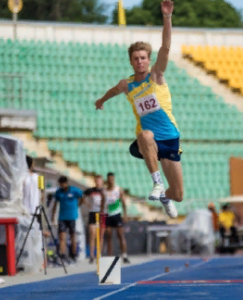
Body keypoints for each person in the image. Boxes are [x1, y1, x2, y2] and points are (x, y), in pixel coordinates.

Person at [94, 0, 179, 219]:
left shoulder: (156, 76)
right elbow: (114, 90)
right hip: (146, 140)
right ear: (131, 62)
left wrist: (167, 17)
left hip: (169, 137)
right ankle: (157, 183)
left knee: (178, 193)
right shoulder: (127, 84)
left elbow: (166, 48)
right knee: (144, 134)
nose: (140, 61)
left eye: (143, 58)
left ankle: (166, 196)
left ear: (149, 60)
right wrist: (101, 100)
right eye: (136, 58)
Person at [51, 176, 83, 262]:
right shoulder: (58, 192)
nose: (62, 185)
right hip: (62, 217)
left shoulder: (74, 190)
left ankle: (73, 254)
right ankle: (62, 254)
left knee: (72, 236)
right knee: (62, 237)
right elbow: (55, 204)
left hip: (72, 217)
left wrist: (78, 205)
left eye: (63, 183)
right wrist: (53, 216)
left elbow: (82, 197)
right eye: (61, 184)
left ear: (66, 183)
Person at [100, 173, 130, 264]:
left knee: (120, 235)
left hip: (117, 215)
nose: (111, 181)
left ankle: (124, 255)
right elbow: (102, 204)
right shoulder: (104, 191)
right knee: (109, 236)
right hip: (107, 215)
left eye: (112, 179)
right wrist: (102, 216)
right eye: (109, 179)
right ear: (107, 180)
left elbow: (123, 202)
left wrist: (125, 215)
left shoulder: (118, 190)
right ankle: (110, 257)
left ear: (114, 180)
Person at [83, 174, 105, 264]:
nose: (98, 182)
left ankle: (99, 255)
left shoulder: (104, 191)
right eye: (97, 180)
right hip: (92, 213)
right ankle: (92, 255)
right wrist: (88, 205)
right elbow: (83, 197)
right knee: (92, 234)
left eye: (99, 180)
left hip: (102, 213)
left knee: (100, 235)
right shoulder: (90, 190)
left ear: (102, 181)